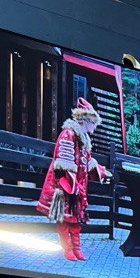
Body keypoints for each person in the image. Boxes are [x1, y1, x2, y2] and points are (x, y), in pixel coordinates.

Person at [36, 96, 111, 261]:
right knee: (63, 218)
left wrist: (101, 171)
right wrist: (73, 183)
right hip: (64, 185)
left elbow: (87, 161)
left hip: (77, 185)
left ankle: (77, 248)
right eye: (93, 122)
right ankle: (68, 249)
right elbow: (64, 163)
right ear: (85, 120)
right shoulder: (68, 134)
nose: (95, 126)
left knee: (75, 218)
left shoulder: (84, 139)